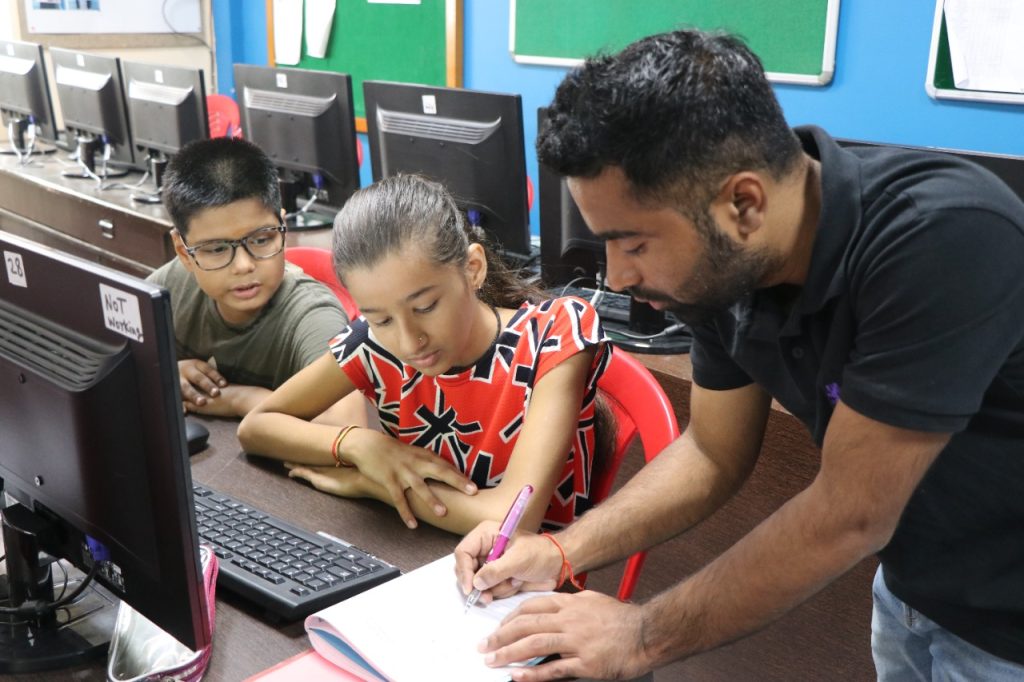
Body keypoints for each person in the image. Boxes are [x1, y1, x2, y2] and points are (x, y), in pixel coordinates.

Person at [454, 28, 1024, 681]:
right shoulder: (724, 264)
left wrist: (640, 634)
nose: (617, 277)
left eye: (633, 244)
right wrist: (561, 550)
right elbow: (712, 451)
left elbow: (851, 514)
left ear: (744, 203)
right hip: (909, 589)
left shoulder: (940, 238)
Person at [237, 174, 612, 534]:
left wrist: (375, 485)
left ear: (473, 269)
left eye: (426, 306)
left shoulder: (554, 335)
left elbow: (511, 520)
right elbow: (257, 427)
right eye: (381, 319)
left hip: (526, 571)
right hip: (417, 552)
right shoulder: (374, 343)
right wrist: (360, 444)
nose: (408, 342)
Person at [149, 137, 367, 423]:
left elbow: (348, 426)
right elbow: (110, 350)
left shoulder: (312, 316)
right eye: (217, 249)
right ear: (183, 252)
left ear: (283, 229)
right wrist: (167, 371)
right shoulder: (173, 284)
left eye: (262, 240)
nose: (243, 265)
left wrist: (243, 399)